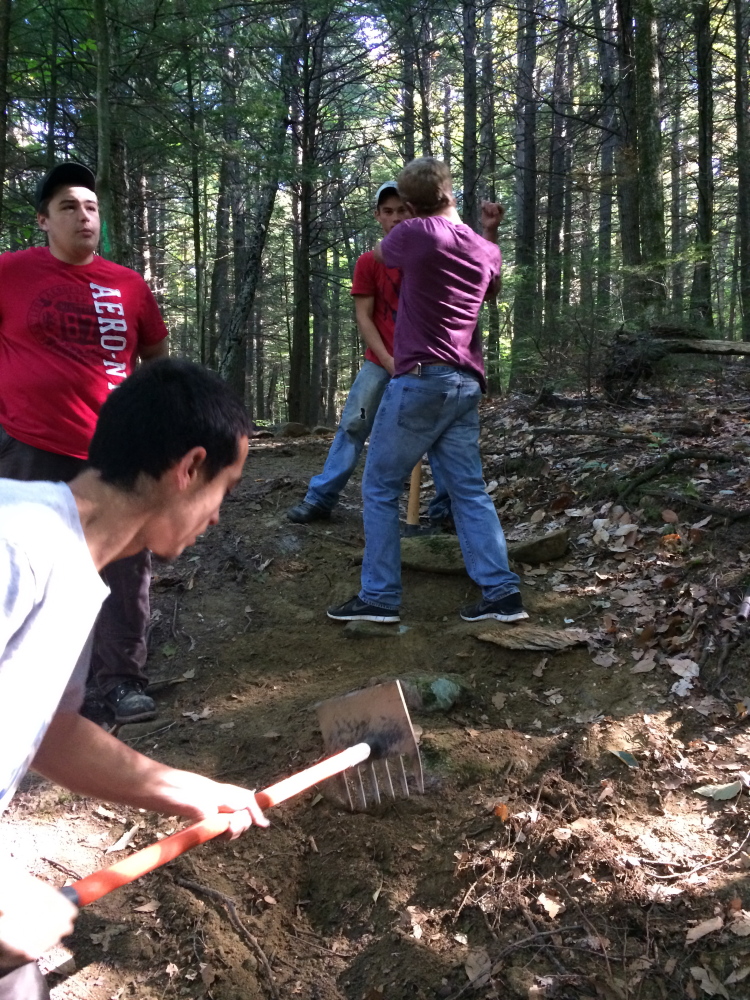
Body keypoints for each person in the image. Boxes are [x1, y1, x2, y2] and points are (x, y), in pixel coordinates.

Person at [0, 359, 269, 1000]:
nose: (217, 518)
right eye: (224, 490)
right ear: (188, 469)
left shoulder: (74, 571)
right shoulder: (17, 543)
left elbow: (51, 735)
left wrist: (193, 792)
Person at [0, 161, 170, 724]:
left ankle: (121, 680)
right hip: (30, 443)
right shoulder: (9, 273)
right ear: (43, 220)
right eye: (69, 207)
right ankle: (30, 684)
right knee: (29, 564)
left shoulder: (128, 285)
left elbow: (155, 356)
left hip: (114, 449)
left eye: (91, 207)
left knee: (125, 565)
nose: (84, 216)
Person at [327, 157, 528, 625]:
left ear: (413, 205)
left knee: (378, 485)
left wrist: (414, 222)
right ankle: (501, 592)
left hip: (421, 378)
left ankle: (379, 597)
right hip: (466, 382)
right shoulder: (481, 246)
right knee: (469, 490)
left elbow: (381, 255)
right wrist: (487, 230)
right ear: (450, 190)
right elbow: (491, 287)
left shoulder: (414, 234)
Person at [287, 182, 449, 526]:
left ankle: (444, 512)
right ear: (377, 216)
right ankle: (321, 497)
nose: (395, 218)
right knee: (353, 425)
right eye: (387, 211)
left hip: (426, 364)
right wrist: (389, 361)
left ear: (414, 212)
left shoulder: (431, 258)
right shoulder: (368, 262)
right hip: (381, 361)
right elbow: (364, 316)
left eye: (402, 210)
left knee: (439, 435)